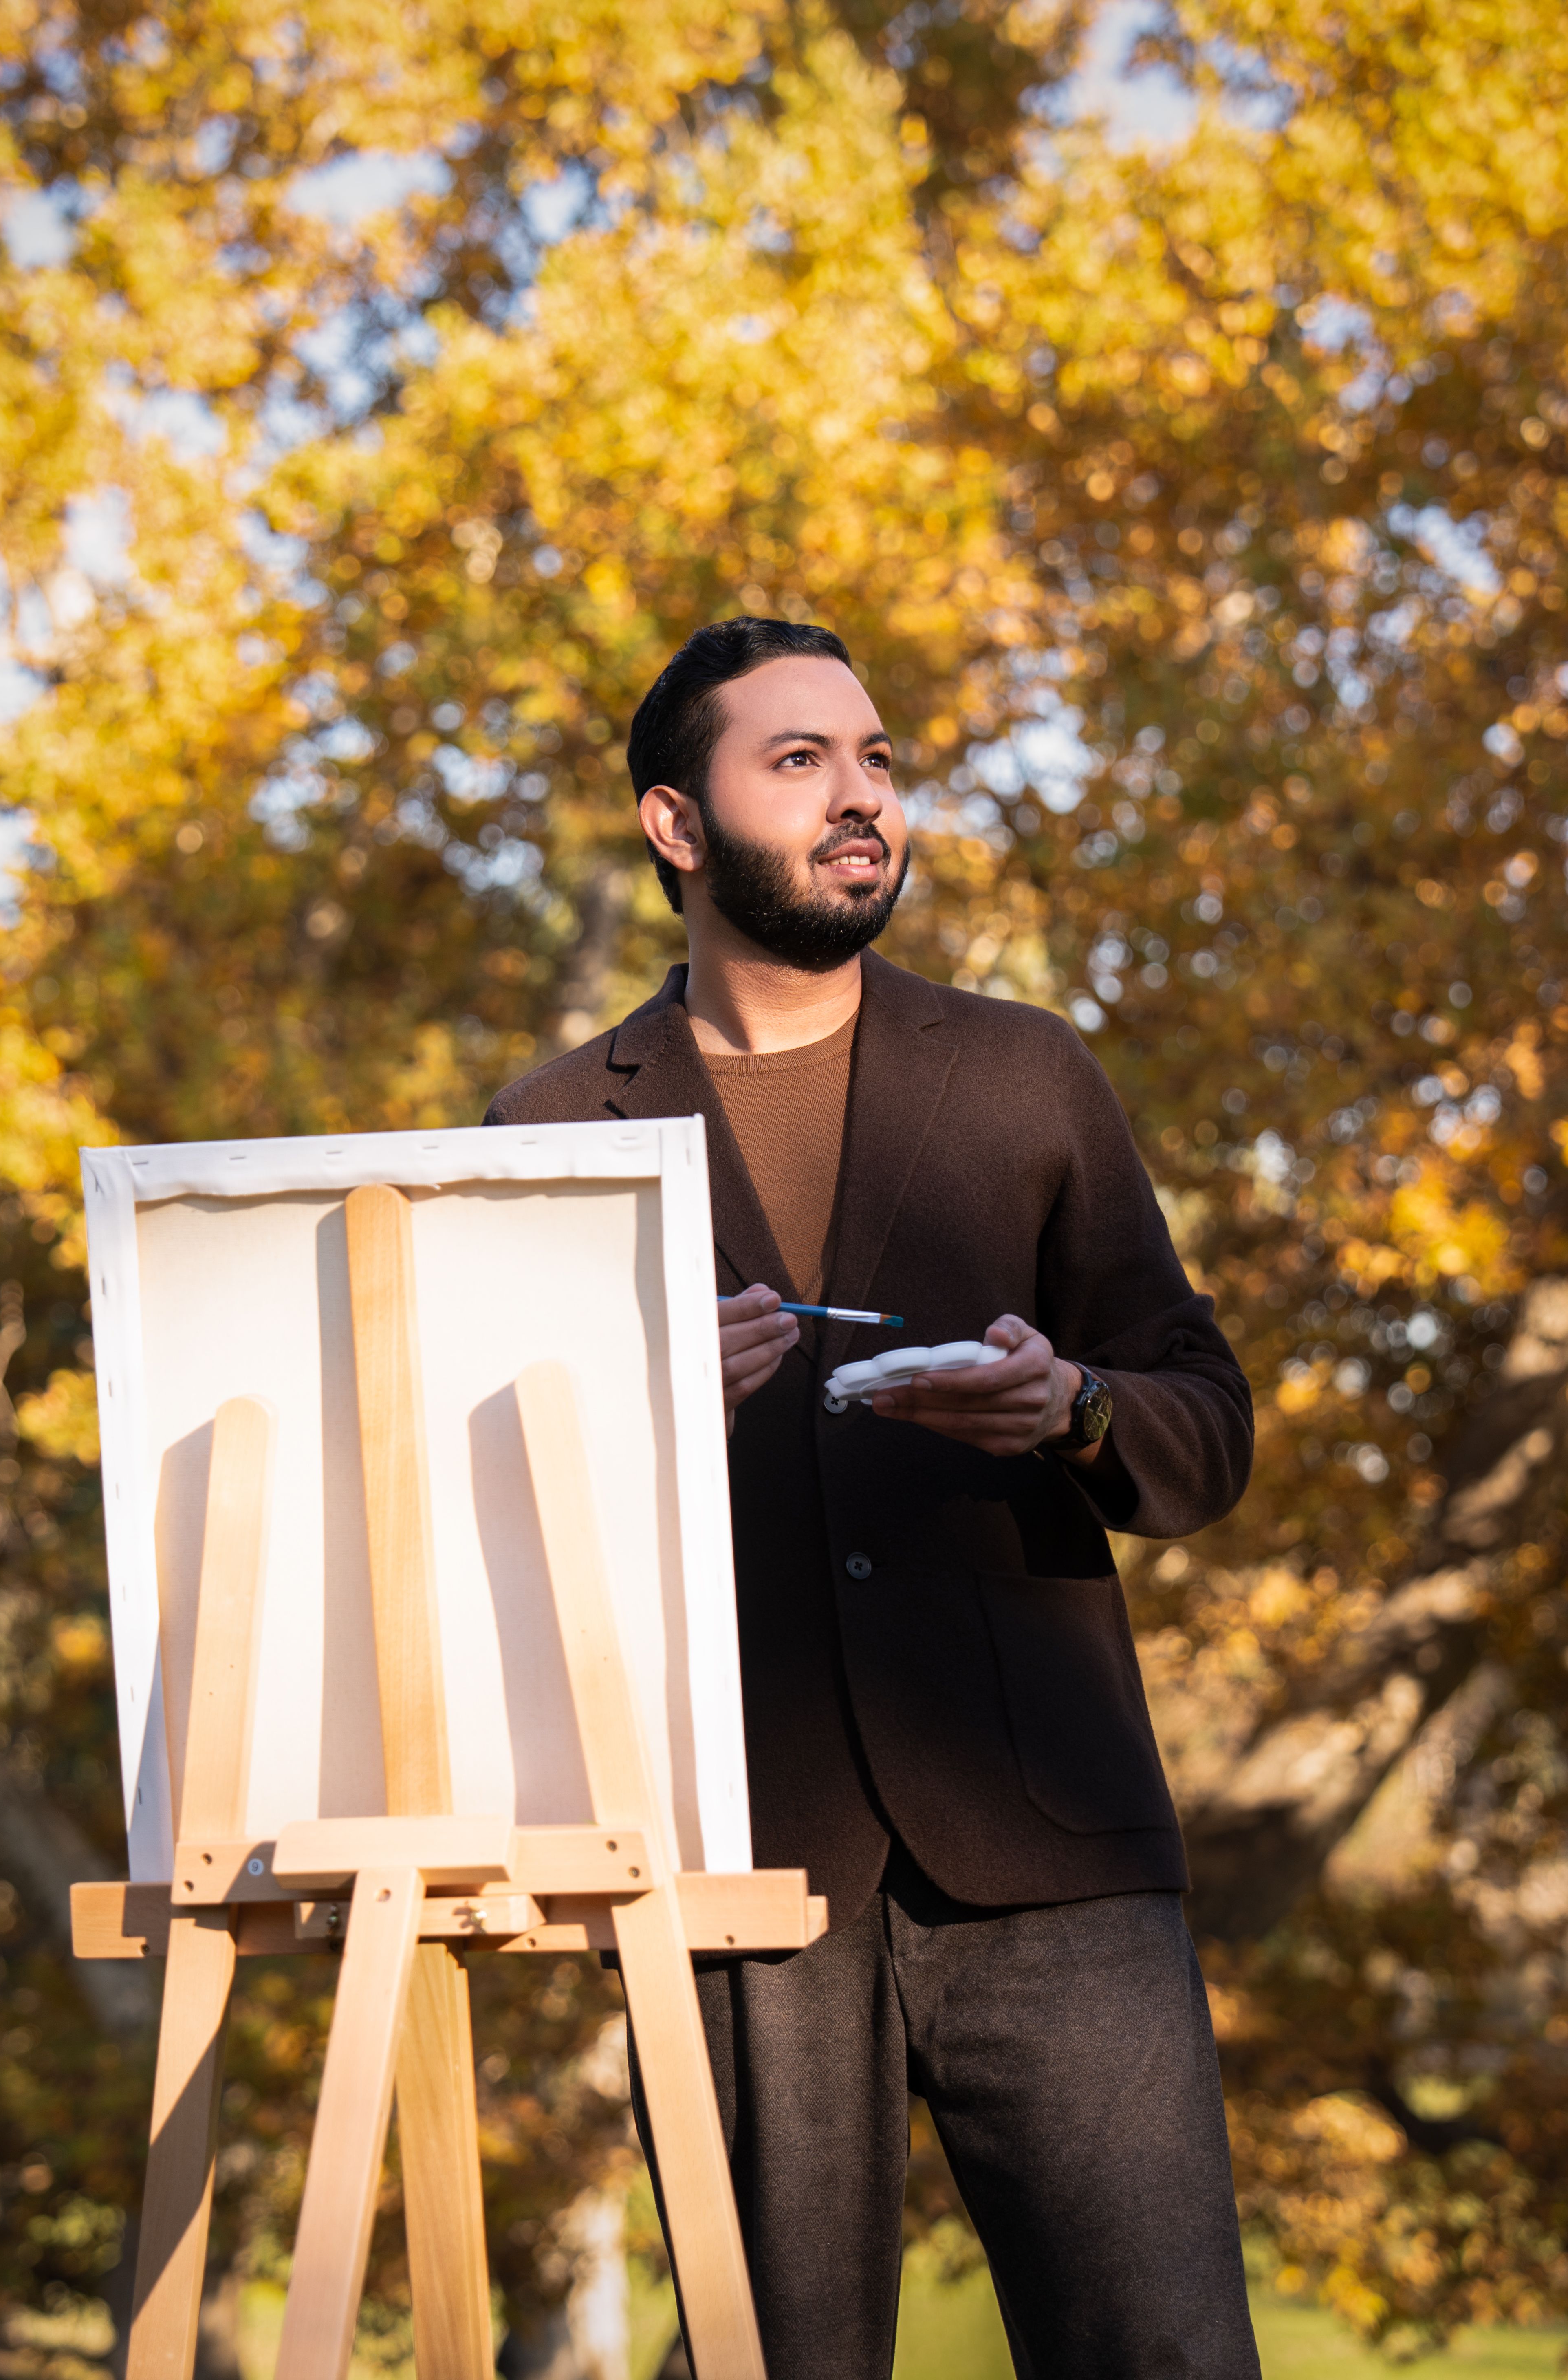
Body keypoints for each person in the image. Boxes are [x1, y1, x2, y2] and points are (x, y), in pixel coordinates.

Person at [482, 617, 1260, 2380]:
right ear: (678, 826)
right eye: (801, 760)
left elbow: (1204, 1424)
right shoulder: (550, 1131)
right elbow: (489, 1546)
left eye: (878, 760)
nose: (864, 798)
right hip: (732, 1869)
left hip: (1054, 1849)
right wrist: (634, 1413)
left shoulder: (1027, 1073)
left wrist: (1071, 1406)